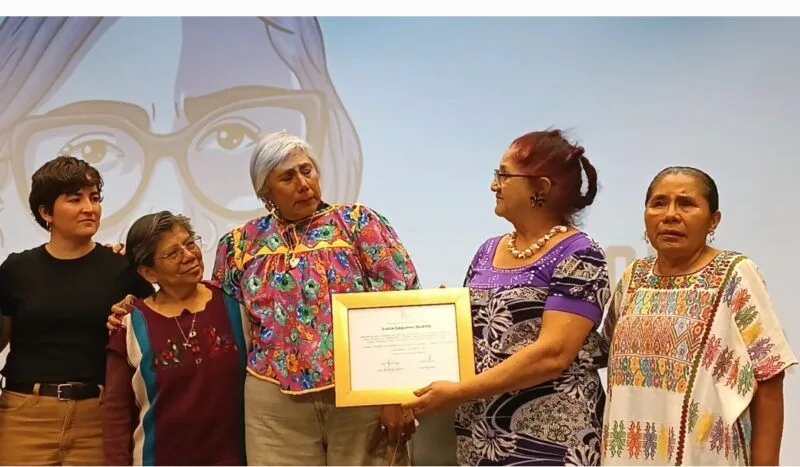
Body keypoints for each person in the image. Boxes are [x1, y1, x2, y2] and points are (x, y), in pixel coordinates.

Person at [109, 130, 420, 466]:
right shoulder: (240, 243)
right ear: (265, 192)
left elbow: (402, 305)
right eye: (287, 177)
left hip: (359, 395)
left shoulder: (359, 224)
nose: (303, 184)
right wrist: (138, 306)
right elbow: (210, 305)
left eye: (307, 170)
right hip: (274, 406)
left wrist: (397, 395)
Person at [403, 129, 611, 466]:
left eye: (503, 175)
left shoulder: (580, 254)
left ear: (540, 187)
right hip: (481, 436)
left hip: (552, 439)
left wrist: (458, 392)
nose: (494, 185)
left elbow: (553, 354)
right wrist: (442, 319)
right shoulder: (488, 250)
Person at [599, 166, 798, 466]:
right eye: (658, 203)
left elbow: (768, 373)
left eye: (686, 204)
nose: (670, 215)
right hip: (627, 454)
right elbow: (602, 350)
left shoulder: (735, 274)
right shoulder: (634, 276)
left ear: (713, 220)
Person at [0, 155, 153, 465]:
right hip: (24, 417)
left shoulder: (122, 269)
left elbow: (157, 328)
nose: (89, 208)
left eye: (94, 198)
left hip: (97, 419)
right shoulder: (17, 269)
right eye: (75, 199)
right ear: (46, 212)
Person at [103, 211, 248, 466]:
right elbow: (116, 412)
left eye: (190, 243)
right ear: (149, 273)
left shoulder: (236, 304)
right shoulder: (129, 325)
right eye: (173, 253)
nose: (189, 256)